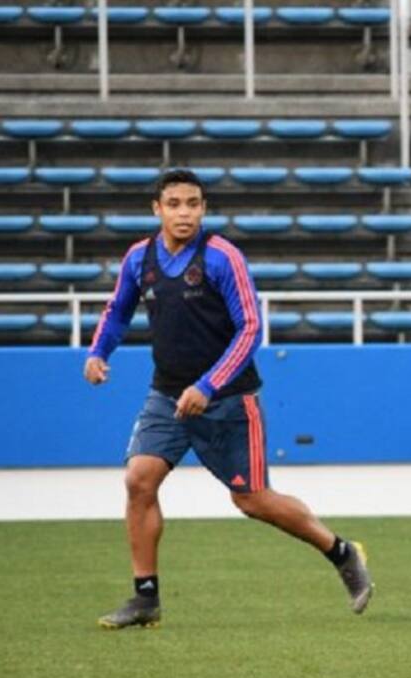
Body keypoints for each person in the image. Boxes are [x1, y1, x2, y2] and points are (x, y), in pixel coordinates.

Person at [86, 169, 373, 629]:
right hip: (167, 394)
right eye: (174, 204)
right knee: (139, 479)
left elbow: (250, 328)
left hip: (230, 400)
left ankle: (341, 552)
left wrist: (208, 386)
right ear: (157, 209)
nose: (184, 212)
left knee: (253, 500)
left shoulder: (222, 257)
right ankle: (145, 597)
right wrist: (99, 351)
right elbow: (117, 310)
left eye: (193, 204)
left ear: (204, 208)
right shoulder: (139, 258)